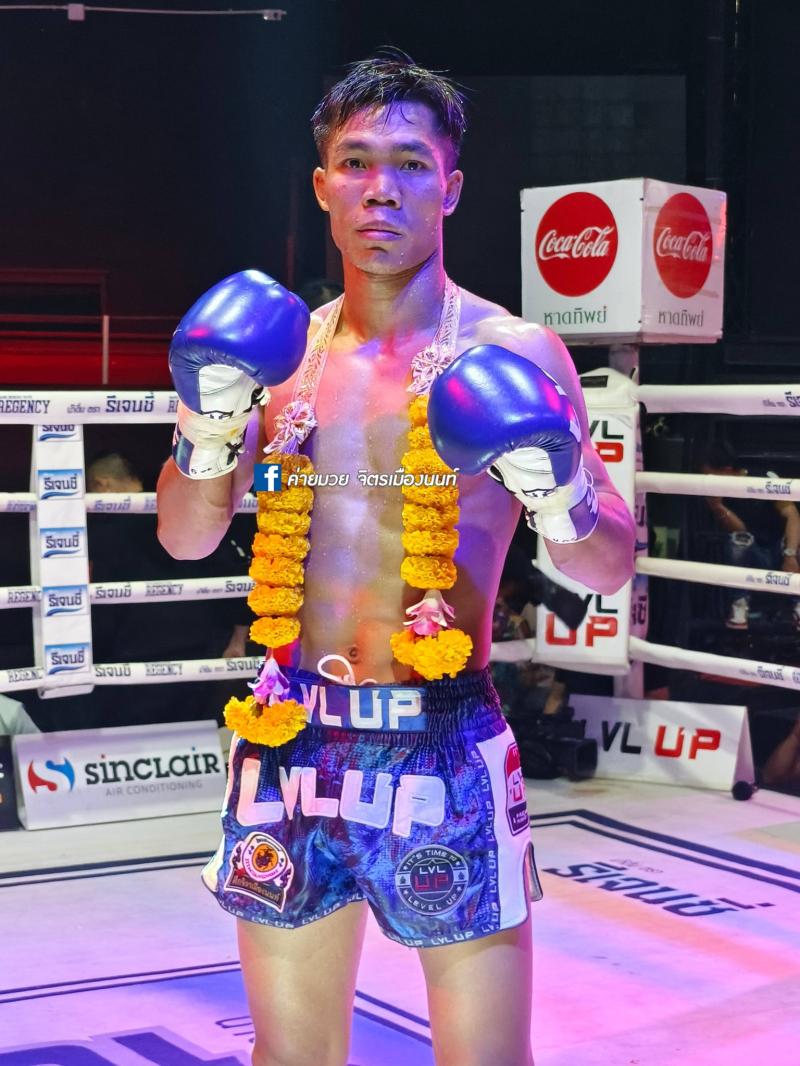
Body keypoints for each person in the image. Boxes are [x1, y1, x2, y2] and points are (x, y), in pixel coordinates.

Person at [157, 53, 634, 1066]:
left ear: (450, 187)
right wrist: (207, 425)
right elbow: (186, 537)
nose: (382, 187)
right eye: (356, 160)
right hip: (290, 737)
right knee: (289, 1058)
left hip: (441, 737)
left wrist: (558, 489)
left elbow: (607, 567)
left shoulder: (512, 353)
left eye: (411, 163)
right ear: (322, 184)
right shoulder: (277, 356)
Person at [700, 443, 800, 631]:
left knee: (796, 537)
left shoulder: (763, 479)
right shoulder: (720, 495)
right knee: (738, 541)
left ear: (726, 470)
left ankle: (798, 604)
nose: (707, 482)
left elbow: (792, 516)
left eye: (710, 476)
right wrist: (718, 507)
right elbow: (741, 530)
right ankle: (739, 604)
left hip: (781, 551)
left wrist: (790, 554)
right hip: (752, 557)